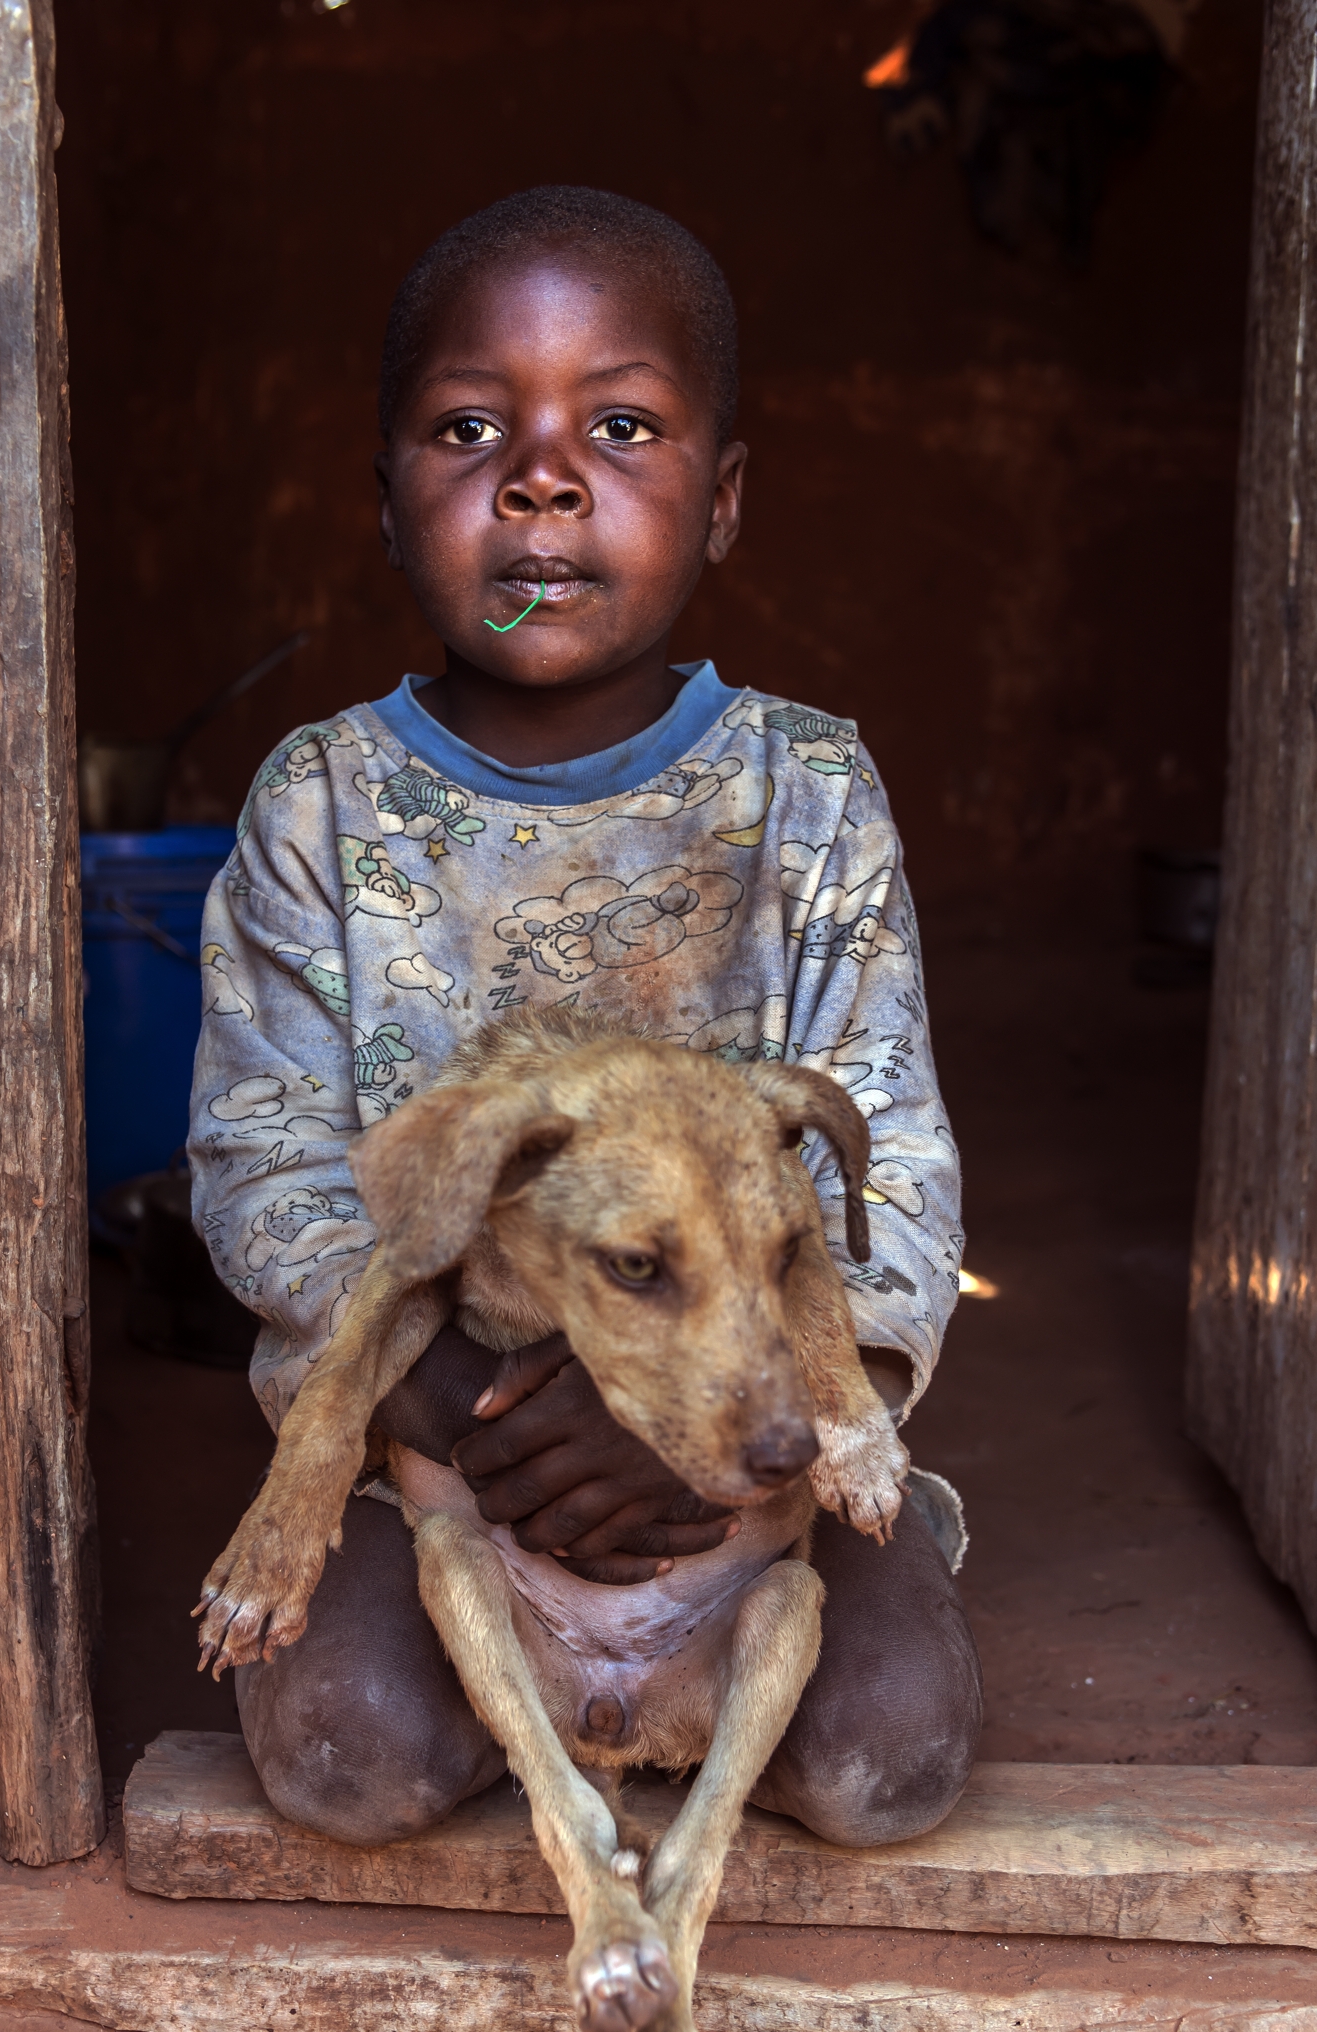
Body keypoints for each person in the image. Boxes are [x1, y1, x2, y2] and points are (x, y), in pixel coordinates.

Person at [188, 186, 982, 1852]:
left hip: (757, 1428)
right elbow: (263, 1162)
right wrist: (455, 1414)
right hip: (446, 1440)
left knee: (883, 1760)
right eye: (469, 428)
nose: (541, 477)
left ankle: (693, 1663)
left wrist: (731, 1442)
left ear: (725, 498)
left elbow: (884, 1148)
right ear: (387, 501)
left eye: (620, 426)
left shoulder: (807, 792)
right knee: (351, 1754)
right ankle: (543, 1686)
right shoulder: (319, 807)